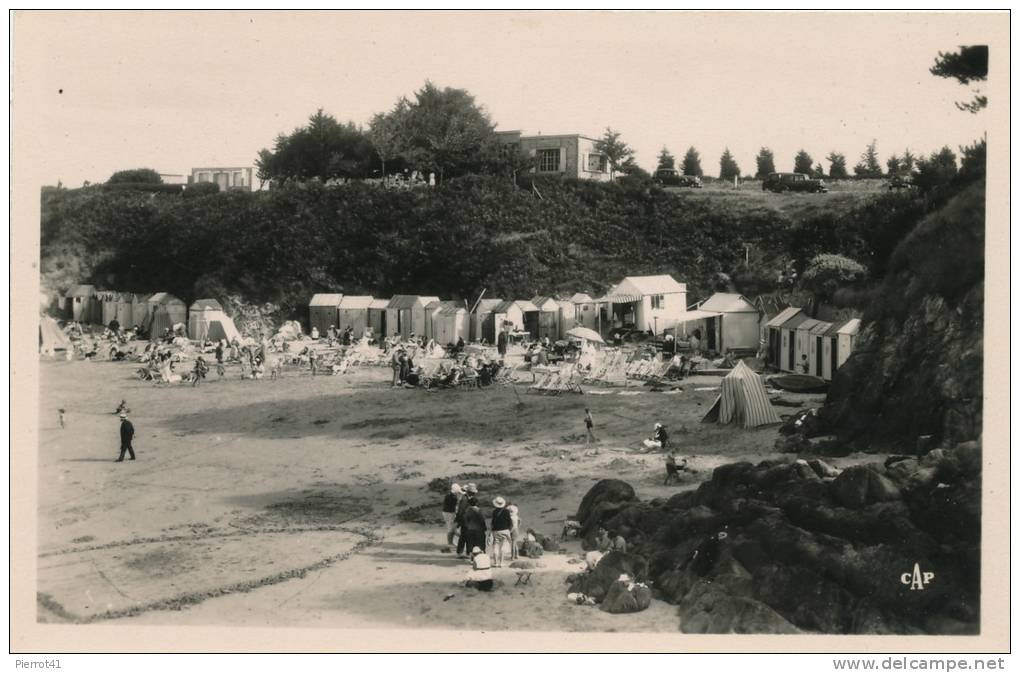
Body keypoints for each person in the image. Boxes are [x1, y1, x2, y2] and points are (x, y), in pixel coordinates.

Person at [455, 483, 478, 557]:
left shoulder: (467, 498)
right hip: (465, 521)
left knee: (464, 537)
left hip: (467, 521)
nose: (473, 494)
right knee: (465, 537)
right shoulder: (465, 499)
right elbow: (461, 512)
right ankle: (464, 553)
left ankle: (462, 552)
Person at [490, 497, 513, 568]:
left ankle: (495, 562)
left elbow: (493, 522)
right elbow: (510, 522)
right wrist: (509, 529)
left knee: (495, 546)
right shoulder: (506, 511)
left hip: (496, 530)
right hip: (505, 530)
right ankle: (501, 562)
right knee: (503, 546)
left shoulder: (494, 512)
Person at [442, 483, 462, 547]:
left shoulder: (448, 495)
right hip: (449, 513)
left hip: (447, 512)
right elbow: (454, 506)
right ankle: (450, 543)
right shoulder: (453, 497)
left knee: (451, 527)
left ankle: (450, 542)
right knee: (450, 528)